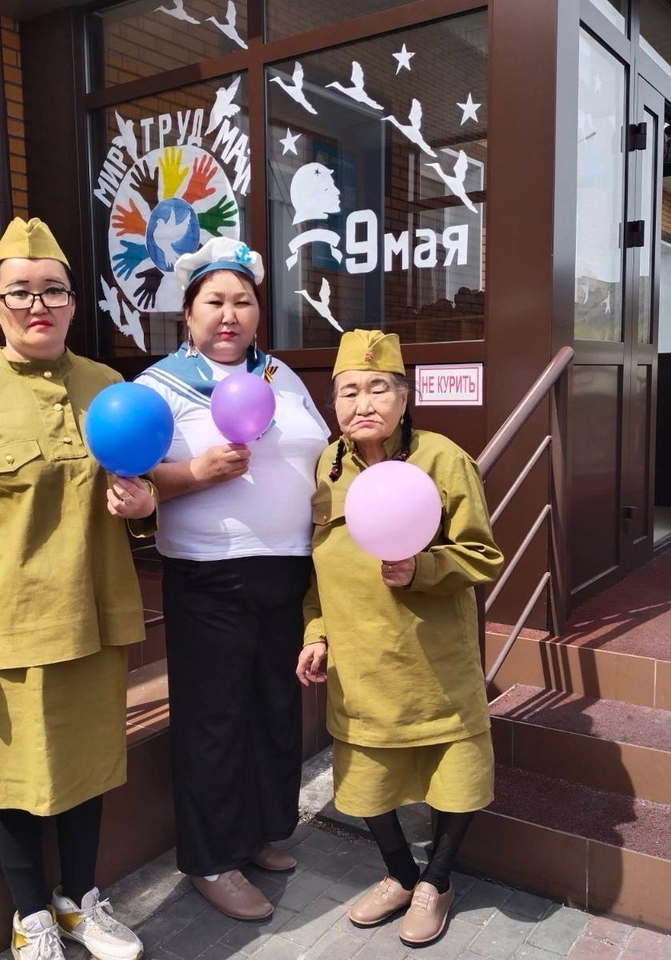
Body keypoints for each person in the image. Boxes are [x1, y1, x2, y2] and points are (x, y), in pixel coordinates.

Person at [0, 217, 153, 960]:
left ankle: (80, 901)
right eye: (19, 292)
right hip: (12, 624)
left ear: (74, 303)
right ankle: (30, 918)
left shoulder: (107, 387)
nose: (37, 305)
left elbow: (139, 486)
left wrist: (143, 503)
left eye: (53, 290)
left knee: (88, 766)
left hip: (95, 614)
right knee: (15, 778)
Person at [136, 237, 330, 921]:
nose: (229, 314)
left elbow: (318, 450)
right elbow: (129, 481)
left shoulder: (281, 375)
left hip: (288, 568)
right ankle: (211, 859)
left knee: (273, 711)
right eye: (214, 301)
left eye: (242, 301)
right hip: (208, 576)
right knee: (213, 721)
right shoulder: (158, 387)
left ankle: (258, 832)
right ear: (188, 313)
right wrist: (195, 473)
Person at [296, 330, 504, 947]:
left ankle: (437, 882)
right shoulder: (327, 466)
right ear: (333, 402)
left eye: (378, 388)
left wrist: (423, 568)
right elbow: (318, 567)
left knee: (456, 774)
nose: (363, 403)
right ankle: (399, 873)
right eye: (348, 391)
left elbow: (483, 555)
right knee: (366, 781)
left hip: (432, 662)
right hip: (360, 664)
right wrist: (316, 632)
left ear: (405, 397)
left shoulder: (443, 459)